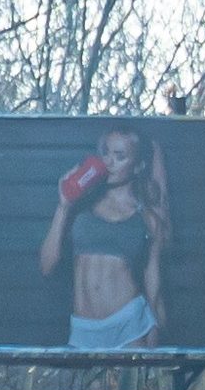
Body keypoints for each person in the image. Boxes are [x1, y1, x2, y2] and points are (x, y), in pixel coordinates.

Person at [38, 124, 170, 349]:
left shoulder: (147, 219)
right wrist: (63, 206)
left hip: (130, 327)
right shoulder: (79, 206)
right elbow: (47, 266)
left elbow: (153, 284)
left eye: (120, 156)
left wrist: (161, 341)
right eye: (106, 153)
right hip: (83, 330)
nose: (109, 162)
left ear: (137, 166)